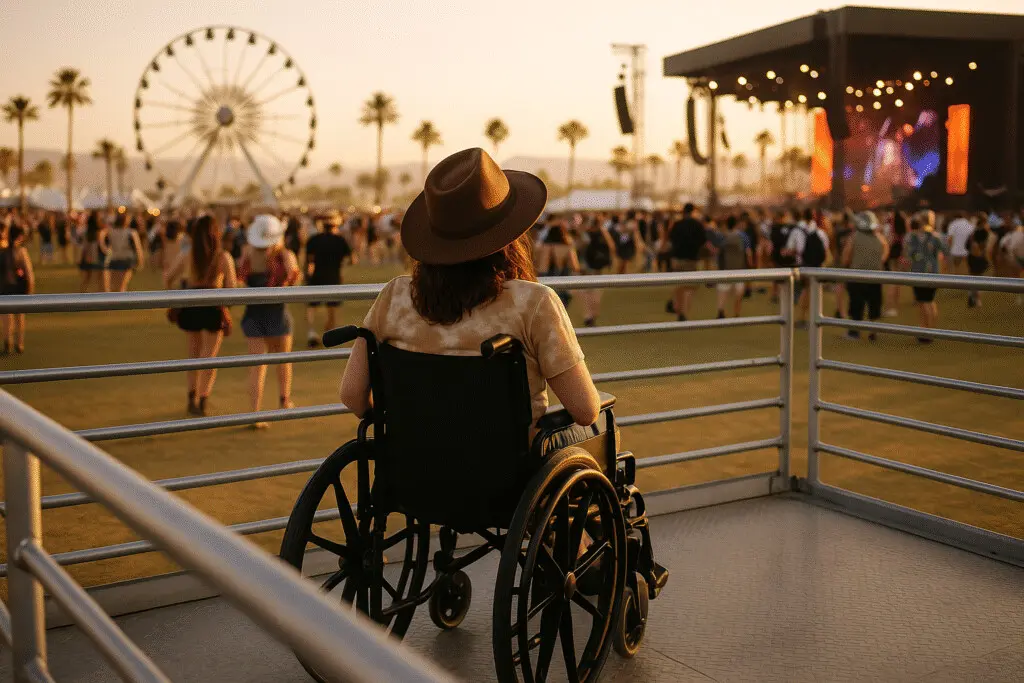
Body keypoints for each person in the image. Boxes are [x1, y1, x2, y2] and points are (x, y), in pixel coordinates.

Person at [339, 147, 601, 435]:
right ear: (510, 235)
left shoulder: (394, 298)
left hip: (410, 470)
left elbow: (352, 395)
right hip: (508, 473)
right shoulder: (533, 304)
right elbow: (585, 410)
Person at [164, 215, 237, 416]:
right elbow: (232, 289)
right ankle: (203, 399)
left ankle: (191, 397)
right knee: (209, 358)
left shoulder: (187, 254)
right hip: (214, 306)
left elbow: (168, 277)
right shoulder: (223, 257)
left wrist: (176, 294)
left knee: (193, 356)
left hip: (191, 303)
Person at [239, 215, 301, 427]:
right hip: (277, 313)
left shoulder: (248, 254)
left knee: (257, 366)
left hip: (253, 314)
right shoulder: (284, 255)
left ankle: (255, 413)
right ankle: (285, 400)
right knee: (283, 361)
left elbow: (240, 279)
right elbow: (294, 279)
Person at [304, 216, 353, 347]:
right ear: (335, 226)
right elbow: (352, 259)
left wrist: (307, 275)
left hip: (316, 276)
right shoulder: (340, 240)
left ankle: (311, 332)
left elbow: (310, 260)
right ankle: (330, 334)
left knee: (312, 306)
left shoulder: (314, 240)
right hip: (333, 276)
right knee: (332, 308)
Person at [841, 211, 889, 341]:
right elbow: (885, 253)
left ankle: (854, 332)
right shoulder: (880, 237)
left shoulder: (854, 237)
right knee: (874, 304)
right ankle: (874, 331)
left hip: (857, 276)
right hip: (875, 276)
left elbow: (846, 257)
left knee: (856, 305)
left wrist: (849, 264)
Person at [906, 211, 949, 343]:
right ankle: (929, 329)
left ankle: (926, 331)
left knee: (923, 302)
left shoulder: (914, 237)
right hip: (933, 273)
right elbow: (945, 252)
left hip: (919, 272)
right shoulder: (936, 237)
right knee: (930, 301)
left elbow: (909, 254)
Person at [665, 203, 707, 321]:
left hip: (677, 257)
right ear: (693, 211)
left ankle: (676, 305)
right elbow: (703, 241)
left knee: (679, 283)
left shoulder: (677, 224)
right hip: (691, 258)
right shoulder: (697, 225)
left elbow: (671, 238)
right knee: (690, 286)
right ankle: (683, 311)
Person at [1, 224, 35, 355]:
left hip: (3, 287)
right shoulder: (21, 251)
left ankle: (7, 342)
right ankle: (19, 343)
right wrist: (30, 289)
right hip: (18, 287)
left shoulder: (3, 251)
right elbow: (29, 273)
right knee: (19, 318)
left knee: (6, 318)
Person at [579, 215, 616, 327]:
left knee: (587, 290)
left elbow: (580, 246)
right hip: (598, 264)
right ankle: (593, 314)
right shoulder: (603, 232)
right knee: (596, 289)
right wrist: (610, 260)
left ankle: (589, 315)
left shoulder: (586, 232)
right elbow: (611, 247)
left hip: (589, 263)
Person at [715, 215, 753, 318]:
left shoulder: (722, 236)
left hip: (725, 268)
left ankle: (721, 310)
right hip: (739, 268)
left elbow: (718, 252)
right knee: (739, 292)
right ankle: (736, 313)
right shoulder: (743, 236)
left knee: (722, 290)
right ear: (736, 224)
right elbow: (748, 252)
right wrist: (750, 264)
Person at [107, 212, 145, 292]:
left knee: (114, 287)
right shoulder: (132, 232)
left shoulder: (111, 232)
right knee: (123, 286)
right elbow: (138, 248)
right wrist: (141, 261)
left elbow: (109, 245)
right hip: (127, 260)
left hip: (114, 259)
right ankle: (121, 302)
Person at [883, 211, 910, 317]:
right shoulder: (904, 234)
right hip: (900, 254)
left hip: (893, 254)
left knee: (892, 282)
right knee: (898, 281)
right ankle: (896, 305)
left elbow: (889, 242)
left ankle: (890, 307)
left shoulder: (892, 231)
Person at [966, 213, 995, 308]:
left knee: (973, 277)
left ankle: (971, 295)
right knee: (979, 278)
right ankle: (977, 299)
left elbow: (966, 245)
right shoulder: (984, 232)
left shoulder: (972, 232)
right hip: (980, 257)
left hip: (972, 257)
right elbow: (984, 245)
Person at [79, 212, 110, 293]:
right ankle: (105, 295)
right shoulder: (100, 232)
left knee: (87, 279)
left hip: (87, 257)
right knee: (103, 279)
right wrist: (109, 252)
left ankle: (80, 295)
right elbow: (102, 246)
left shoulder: (87, 232)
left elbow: (84, 246)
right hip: (99, 257)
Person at [998, 222, 1024, 306]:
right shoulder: (1017, 234)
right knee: (1017, 276)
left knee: (1017, 277)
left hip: (1014, 258)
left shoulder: (1007, 237)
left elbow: (1003, 248)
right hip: (1017, 257)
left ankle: (1019, 297)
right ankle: (1019, 297)